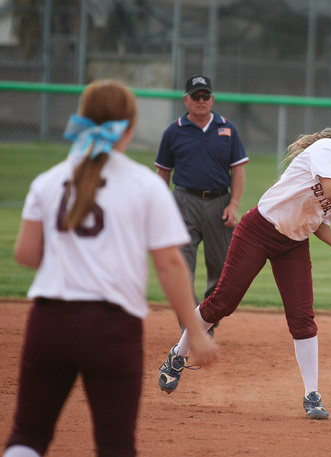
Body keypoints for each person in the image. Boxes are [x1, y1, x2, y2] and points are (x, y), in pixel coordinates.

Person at [157, 106, 331, 420]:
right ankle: (177, 356)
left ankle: (312, 395)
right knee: (223, 301)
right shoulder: (328, 149)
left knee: (302, 318)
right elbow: (330, 191)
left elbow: (320, 220)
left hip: (293, 244)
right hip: (258, 229)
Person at [4, 80, 218, 457]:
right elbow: (169, 265)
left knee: (29, 435)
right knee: (115, 444)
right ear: (130, 128)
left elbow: (25, 253)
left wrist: (70, 260)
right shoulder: (144, 186)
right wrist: (195, 333)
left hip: (48, 322)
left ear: (81, 121)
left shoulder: (49, 181)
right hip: (111, 327)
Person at [154, 74, 249, 337]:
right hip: (184, 203)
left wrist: (234, 204)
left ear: (212, 98)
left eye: (205, 95)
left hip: (220, 203)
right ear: (186, 99)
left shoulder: (227, 128)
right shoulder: (174, 131)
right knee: (182, 268)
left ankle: (207, 320)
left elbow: (237, 171)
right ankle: (191, 328)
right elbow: (162, 174)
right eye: (195, 96)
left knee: (222, 271)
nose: (201, 100)